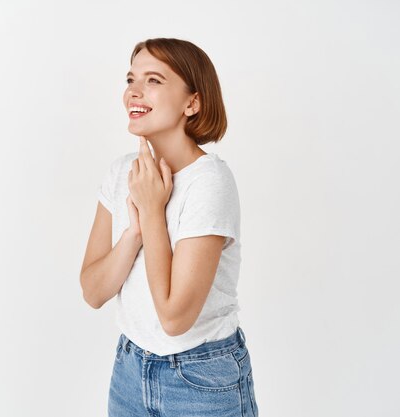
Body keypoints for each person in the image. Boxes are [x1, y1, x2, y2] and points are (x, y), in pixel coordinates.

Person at [79, 38, 259, 416]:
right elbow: (93, 291)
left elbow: (175, 318)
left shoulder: (209, 182)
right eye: (131, 78)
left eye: (154, 80)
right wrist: (134, 232)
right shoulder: (121, 172)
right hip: (129, 369)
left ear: (192, 103)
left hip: (202, 379)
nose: (134, 90)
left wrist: (152, 211)